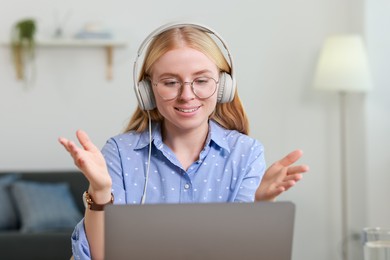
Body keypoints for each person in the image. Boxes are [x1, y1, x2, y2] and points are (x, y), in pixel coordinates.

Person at [59, 22, 308, 260]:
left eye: (201, 80)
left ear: (224, 86)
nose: (187, 96)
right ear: (147, 91)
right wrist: (100, 193)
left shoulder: (246, 153)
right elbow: (101, 257)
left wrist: (262, 206)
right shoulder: (120, 152)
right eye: (170, 82)